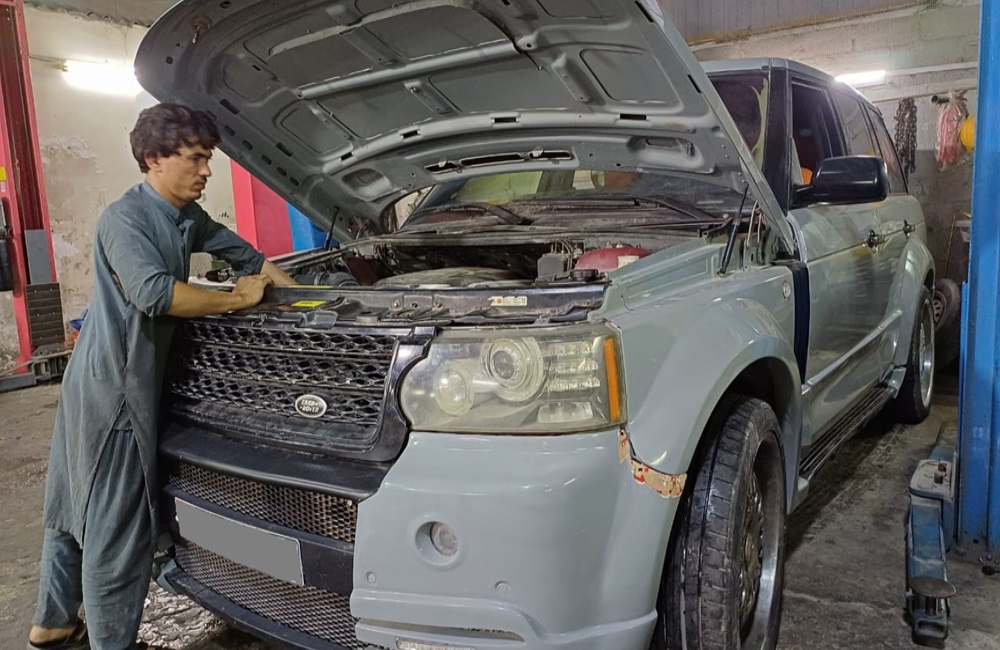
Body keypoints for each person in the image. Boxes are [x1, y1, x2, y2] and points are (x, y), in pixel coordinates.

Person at [26, 103, 295, 650]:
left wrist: (311, 305)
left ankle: (53, 624)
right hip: (115, 393)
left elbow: (249, 259)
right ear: (154, 158)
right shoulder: (124, 218)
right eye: (195, 158)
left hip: (106, 380)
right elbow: (153, 293)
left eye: (208, 158)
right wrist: (237, 300)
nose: (206, 170)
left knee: (72, 503)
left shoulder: (186, 217)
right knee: (116, 529)